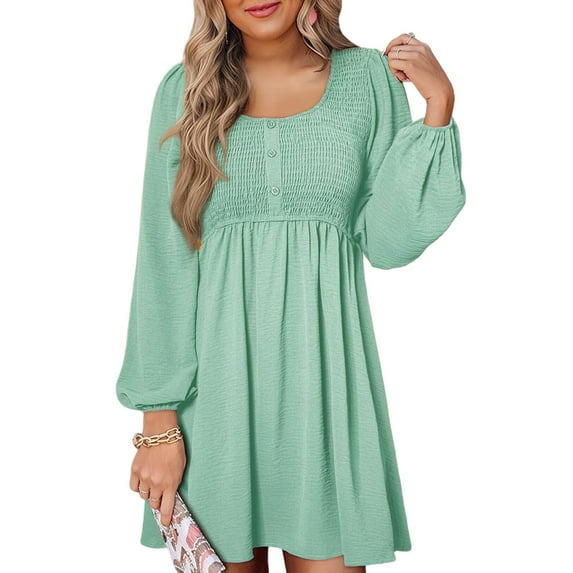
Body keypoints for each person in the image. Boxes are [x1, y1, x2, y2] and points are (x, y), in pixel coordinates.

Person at [115, 1, 466, 572]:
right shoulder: (185, 90)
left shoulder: (368, 79)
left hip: (328, 399)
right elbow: (163, 262)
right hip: (215, 407)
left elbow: (388, 241)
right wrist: (157, 422)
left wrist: (438, 108)